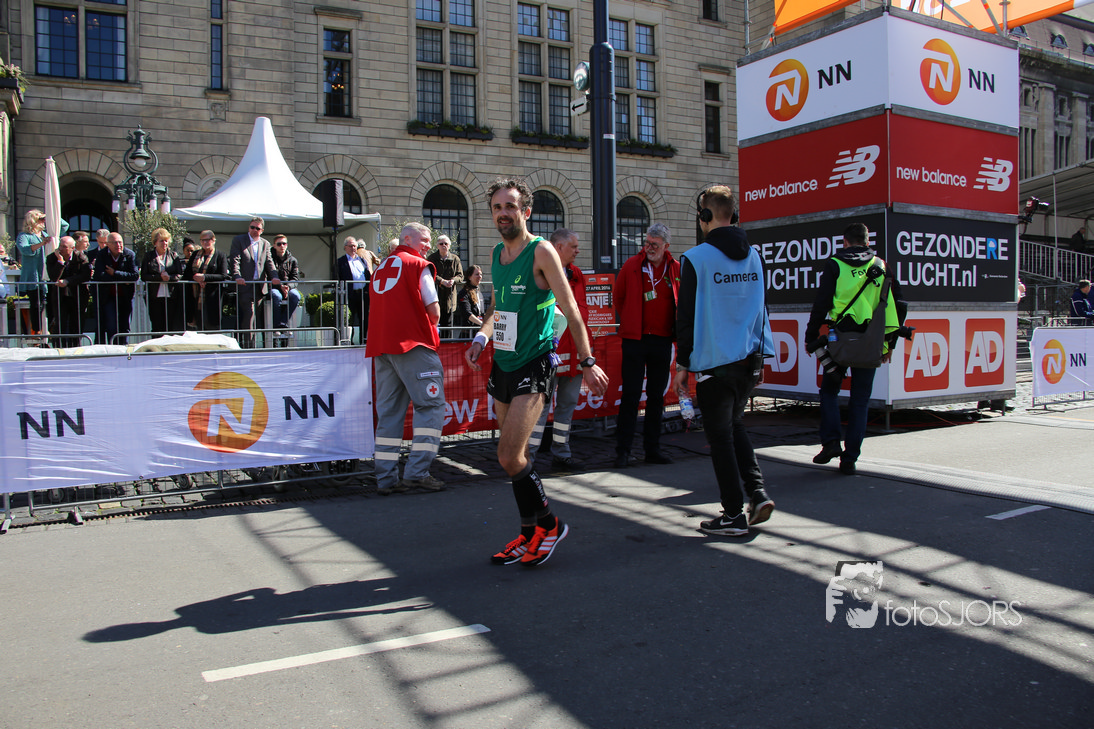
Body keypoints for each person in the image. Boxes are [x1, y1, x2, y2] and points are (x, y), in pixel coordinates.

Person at [464, 177, 608, 568]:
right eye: (497, 207)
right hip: (503, 364)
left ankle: (550, 524)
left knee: (508, 454)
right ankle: (529, 534)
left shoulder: (541, 251)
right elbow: (498, 308)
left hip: (535, 363)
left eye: (510, 206)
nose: (503, 213)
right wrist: (481, 337)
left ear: (525, 211)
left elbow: (571, 309)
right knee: (517, 457)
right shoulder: (497, 252)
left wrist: (587, 361)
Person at [672, 185, 775, 537]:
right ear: (734, 215)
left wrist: (682, 364)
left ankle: (733, 514)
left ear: (704, 216)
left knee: (720, 439)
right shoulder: (755, 256)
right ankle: (757, 494)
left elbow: (685, 317)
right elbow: (761, 308)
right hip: (748, 359)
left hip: (714, 364)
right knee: (735, 427)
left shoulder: (695, 258)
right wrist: (761, 357)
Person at [805, 222, 900, 476]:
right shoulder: (881, 266)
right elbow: (897, 304)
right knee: (860, 400)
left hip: (839, 341)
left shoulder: (835, 264)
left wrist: (810, 336)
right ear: (867, 242)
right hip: (871, 342)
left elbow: (821, 303)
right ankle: (850, 459)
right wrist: (890, 344)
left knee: (829, 391)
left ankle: (831, 443)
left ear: (845, 242)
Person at [365, 222, 446, 495]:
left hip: (382, 348)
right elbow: (434, 311)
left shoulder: (380, 269)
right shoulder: (418, 265)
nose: (428, 245)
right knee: (431, 406)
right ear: (408, 239)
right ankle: (417, 473)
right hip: (414, 346)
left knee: (389, 414)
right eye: (424, 240)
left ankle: (385, 478)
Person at [612, 222, 680, 467]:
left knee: (656, 397)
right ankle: (623, 451)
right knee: (630, 395)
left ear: (666, 246)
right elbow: (618, 298)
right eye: (647, 243)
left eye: (655, 245)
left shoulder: (675, 268)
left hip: (662, 340)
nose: (649, 248)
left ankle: (652, 449)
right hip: (635, 340)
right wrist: (631, 320)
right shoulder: (632, 265)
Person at [527, 228, 592, 471]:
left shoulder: (577, 274)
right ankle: (528, 460)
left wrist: (585, 354)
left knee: (567, 406)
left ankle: (561, 454)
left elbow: (580, 313)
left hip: (573, 356)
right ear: (558, 247)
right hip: (547, 354)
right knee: (539, 408)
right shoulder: (540, 272)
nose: (578, 251)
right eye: (573, 246)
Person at [229, 216, 279, 347]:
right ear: (249, 227)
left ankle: (256, 345)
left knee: (256, 317)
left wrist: (274, 276)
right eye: (252, 227)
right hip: (245, 285)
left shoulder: (265, 243)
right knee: (249, 314)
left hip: (259, 286)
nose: (254, 230)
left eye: (257, 228)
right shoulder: (239, 240)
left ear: (262, 230)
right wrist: (237, 276)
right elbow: (235, 260)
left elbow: (269, 263)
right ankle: (249, 347)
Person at [16, 209, 68, 336]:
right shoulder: (24, 236)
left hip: (48, 273)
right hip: (34, 275)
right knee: (36, 304)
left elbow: (64, 226)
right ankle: (37, 330)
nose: (42, 222)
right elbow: (25, 249)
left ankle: (48, 328)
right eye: (39, 219)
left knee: (51, 304)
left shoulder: (46, 234)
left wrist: (49, 216)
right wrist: (42, 243)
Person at [45, 235, 92, 347]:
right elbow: (53, 277)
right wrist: (60, 262)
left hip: (77, 296)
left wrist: (68, 281)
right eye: (60, 246)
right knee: (60, 323)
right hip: (59, 296)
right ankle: (58, 347)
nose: (61, 249)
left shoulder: (81, 258)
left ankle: (75, 347)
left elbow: (85, 275)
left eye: (64, 247)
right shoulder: (52, 258)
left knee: (76, 324)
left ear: (72, 248)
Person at [93, 231, 139, 345]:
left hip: (125, 295)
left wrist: (115, 273)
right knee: (111, 325)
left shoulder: (129, 254)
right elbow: (99, 275)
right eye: (115, 243)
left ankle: (124, 348)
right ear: (107, 244)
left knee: (125, 325)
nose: (118, 245)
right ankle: (113, 348)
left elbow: (134, 275)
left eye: (120, 242)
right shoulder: (102, 255)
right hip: (108, 296)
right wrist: (123, 279)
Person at [140, 227, 185, 335]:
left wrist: (169, 278)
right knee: (157, 324)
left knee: (170, 324)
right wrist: (159, 277)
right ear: (155, 242)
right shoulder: (148, 256)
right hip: (154, 296)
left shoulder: (174, 256)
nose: (164, 243)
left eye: (166, 240)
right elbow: (144, 276)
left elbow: (180, 275)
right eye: (161, 241)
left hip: (171, 295)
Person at [184, 230, 230, 331]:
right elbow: (187, 274)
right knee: (199, 328)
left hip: (212, 297)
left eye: (207, 240)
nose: (205, 242)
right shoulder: (195, 254)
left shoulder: (220, 255)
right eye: (202, 240)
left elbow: (223, 275)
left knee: (212, 328)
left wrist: (205, 277)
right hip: (196, 296)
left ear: (213, 240)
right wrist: (197, 278)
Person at [427, 234, 464, 337]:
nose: (444, 245)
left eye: (446, 243)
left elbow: (460, 275)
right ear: (437, 245)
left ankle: (448, 343)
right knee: (435, 324)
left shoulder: (455, 259)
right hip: (435, 296)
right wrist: (441, 281)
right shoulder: (432, 258)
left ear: (449, 245)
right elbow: (429, 274)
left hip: (450, 298)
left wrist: (453, 281)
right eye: (441, 244)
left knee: (448, 325)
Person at [337, 237, 370, 344]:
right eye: (350, 246)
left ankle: (363, 340)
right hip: (349, 294)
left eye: (355, 246)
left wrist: (367, 290)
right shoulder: (340, 262)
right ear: (345, 247)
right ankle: (349, 341)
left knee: (364, 318)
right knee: (349, 319)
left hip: (362, 294)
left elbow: (367, 276)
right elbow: (337, 277)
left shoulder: (362, 260)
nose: (353, 248)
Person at [269, 234, 302, 330]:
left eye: (284, 243)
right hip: (274, 287)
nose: (282, 246)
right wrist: (280, 286)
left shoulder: (293, 260)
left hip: (289, 287)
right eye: (279, 244)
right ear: (274, 246)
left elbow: (295, 278)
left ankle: (283, 322)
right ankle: (276, 326)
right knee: (276, 296)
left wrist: (288, 287)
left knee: (296, 296)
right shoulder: (269, 259)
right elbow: (269, 276)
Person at [454, 264, 484, 339]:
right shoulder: (464, 293)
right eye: (477, 274)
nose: (480, 277)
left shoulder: (478, 292)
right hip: (468, 334)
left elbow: (481, 312)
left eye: (481, 274)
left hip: (478, 331)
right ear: (469, 277)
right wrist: (481, 323)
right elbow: (467, 313)